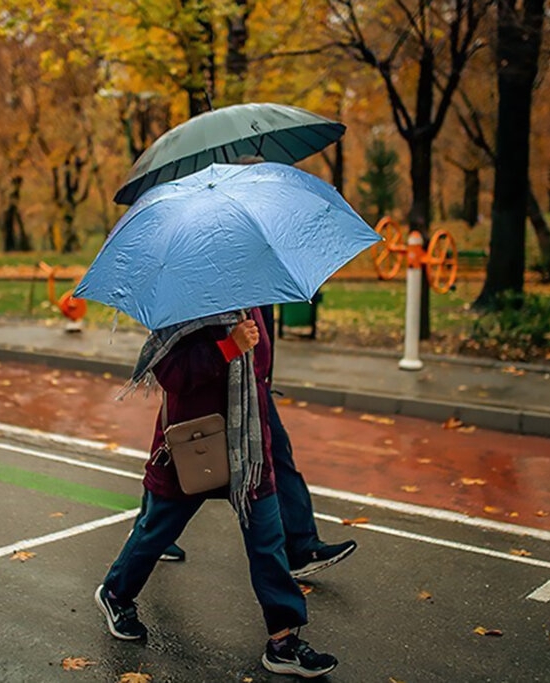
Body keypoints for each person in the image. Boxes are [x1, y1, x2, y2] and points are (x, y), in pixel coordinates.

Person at [96, 308, 338, 678]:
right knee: (158, 529)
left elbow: (260, 370)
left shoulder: (252, 300)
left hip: (249, 445)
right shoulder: (182, 302)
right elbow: (170, 373)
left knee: (268, 540)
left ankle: (283, 642)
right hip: (196, 442)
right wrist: (227, 347)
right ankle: (115, 593)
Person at [161, 154, 357, 578]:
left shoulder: (261, 249)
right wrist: (230, 349)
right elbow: (184, 349)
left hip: (255, 388)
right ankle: (145, 550)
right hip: (222, 386)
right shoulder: (215, 251)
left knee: (274, 466)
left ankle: (300, 549)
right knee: (177, 481)